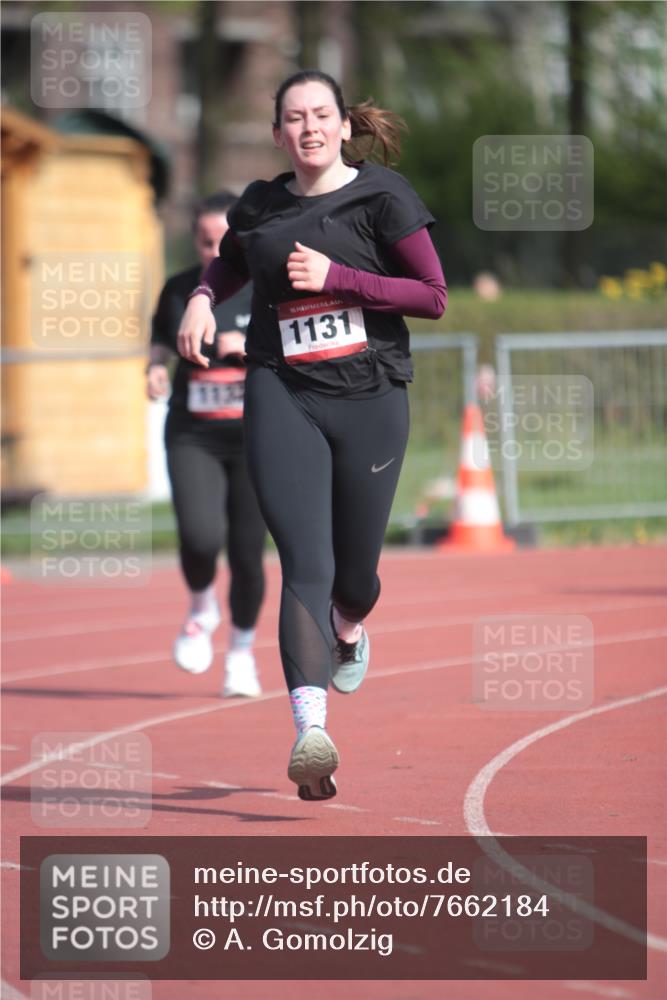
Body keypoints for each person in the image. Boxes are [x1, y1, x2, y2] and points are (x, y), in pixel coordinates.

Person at [178, 70, 447, 799]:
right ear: (277, 133)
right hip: (281, 390)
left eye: (320, 115)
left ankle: (350, 629)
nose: (308, 128)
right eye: (293, 118)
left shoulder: (382, 197)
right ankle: (310, 732)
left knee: (353, 579)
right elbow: (230, 260)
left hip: (369, 398)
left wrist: (339, 275)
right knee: (304, 562)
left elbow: (432, 295)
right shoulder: (261, 204)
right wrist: (203, 298)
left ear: (342, 125)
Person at [147, 191, 266, 697]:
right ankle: (201, 608)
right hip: (193, 432)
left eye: (224, 243)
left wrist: (250, 347)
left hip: (254, 436)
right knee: (199, 536)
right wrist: (153, 365)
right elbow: (158, 337)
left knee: (246, 553)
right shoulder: (180, 290)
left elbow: (297, 350)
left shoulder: (265, 288)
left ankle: (240, 653)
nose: (214, 253)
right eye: (204, 243)